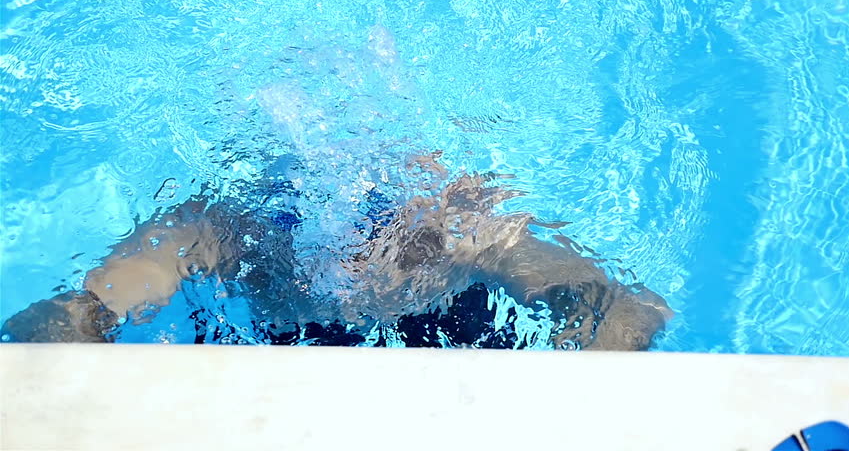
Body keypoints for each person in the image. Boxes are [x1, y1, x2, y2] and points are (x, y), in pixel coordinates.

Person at [0, 156, 673, 350]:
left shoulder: (454, 226)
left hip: (458, 342)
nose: (350, 265)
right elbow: (79, 310)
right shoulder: (228, 229)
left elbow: (624, 310)